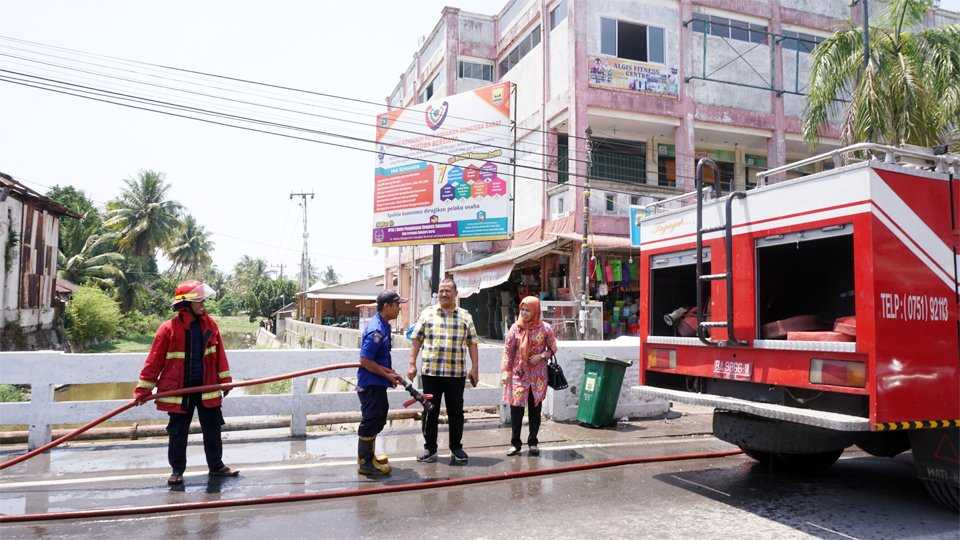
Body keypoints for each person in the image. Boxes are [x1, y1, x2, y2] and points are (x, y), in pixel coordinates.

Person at [133, 280, 239, 486]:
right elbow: (154, 361)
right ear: (186, 303)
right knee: (178, 432)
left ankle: (216, 466)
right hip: (178, 391)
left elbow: (220, 356)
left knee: (213, 428)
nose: (203, 305)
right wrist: (142, 390)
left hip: (206, 389)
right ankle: (177, 471)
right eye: (199, 301)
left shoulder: (210, 325)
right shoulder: (168, 329)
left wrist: (225, 380)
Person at [407, 277, 479, 465]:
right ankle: (430, 449)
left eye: (448, 290)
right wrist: (412, 363)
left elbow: (472, 343)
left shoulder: (465, 316)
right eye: (441, 290)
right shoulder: (427, 314)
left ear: (455, 293)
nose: (444, 294)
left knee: (456, 412)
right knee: (430, 411)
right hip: (431, 373)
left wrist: (475, 368)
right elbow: (416, 339)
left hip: (456, 374)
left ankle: (456, 448)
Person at [356, 290, 406, 477]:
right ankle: (365, 463)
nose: (399, 308)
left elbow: (377, 359)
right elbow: (365, 361)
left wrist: (389, 373)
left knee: (379, 417)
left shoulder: (384, 325)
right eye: (397, 304)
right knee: (371, 420)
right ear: (387, 306)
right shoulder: (376, 330)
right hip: (370, 384)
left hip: (378, 382)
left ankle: (370, 457)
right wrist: (386, 376)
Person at [501, 296, 557, 457]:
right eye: (522, 310)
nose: (524, 313)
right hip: (519, 374)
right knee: (516, 409)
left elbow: (553, 348)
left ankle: (533, 442)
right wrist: (506, 371)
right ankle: (515, 443)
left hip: (538, 376)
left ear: (535, 311)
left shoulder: (545, 328)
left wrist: (541, 356)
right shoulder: (515, 328)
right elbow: (508, 351)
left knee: (535, 409)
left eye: (528, 310)